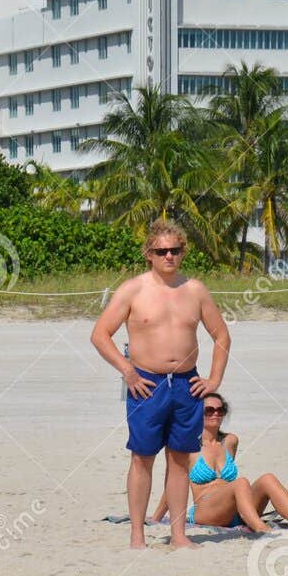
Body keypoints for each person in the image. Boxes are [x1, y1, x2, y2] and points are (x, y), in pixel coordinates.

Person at [90, 218, 230, 549]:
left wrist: (213, 379)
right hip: (146, 384)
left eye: (175, 250)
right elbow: (100, 334)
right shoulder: (133, 289)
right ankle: (137, 534)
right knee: (142, 457)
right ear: (149, 254)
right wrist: (127, 371)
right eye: (161, 251)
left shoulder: (195, 290)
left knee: (180, 459)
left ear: (183, 253)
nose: (169, 256)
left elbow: (221, 334)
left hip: (187, 384)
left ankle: (178, 535)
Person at [150, 392, 288, 533]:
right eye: (209, 410)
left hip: (236, 509)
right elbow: (174, 483)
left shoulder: (230, 441)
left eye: (220, 410)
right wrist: (157, 517)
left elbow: (229, 484)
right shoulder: (189, 446)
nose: (215, 414)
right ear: (197, 413)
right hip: (206, 509)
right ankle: (261, 528)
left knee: (267, 479)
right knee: (240, 483)